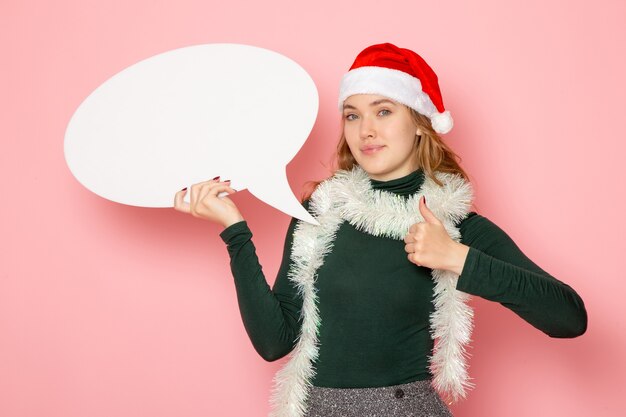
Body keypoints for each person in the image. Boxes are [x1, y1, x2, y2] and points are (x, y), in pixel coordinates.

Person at [173, 42, 588, 417]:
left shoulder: (454, 225)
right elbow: (274, 342)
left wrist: (457, 258)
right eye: (352, 115)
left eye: (384, 111)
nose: (365, 130)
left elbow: (568, 318)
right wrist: (234, 230)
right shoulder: (320, 213)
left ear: (421, 123)